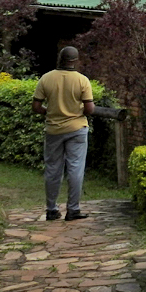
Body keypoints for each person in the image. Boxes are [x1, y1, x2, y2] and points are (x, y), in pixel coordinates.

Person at [32, 46, 95, 221]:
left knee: (53, 169)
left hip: (53, 130)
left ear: (60, 59)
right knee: (75, 168)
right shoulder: (82, 80)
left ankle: (52, 210)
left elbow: (36, 106)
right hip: (77, 129)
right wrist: (78, 111)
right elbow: (89, 109)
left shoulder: (46, 78)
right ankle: (73, 209)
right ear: (75, 61)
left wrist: (50, 112)